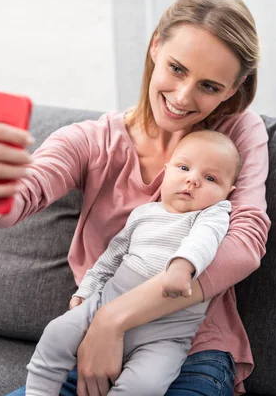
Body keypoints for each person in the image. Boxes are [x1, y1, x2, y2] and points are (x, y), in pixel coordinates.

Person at [0, 0, 270, 394]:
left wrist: (114, 318)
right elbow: (18, 200)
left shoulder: (233, 138)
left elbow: (245, 243)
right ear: (154, 46)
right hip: (95, 342)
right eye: (176, 68)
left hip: (191, 350)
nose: (182, 97)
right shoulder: (92, 142)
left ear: (231, 91)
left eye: (209, 86)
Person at [26, 130, 241, 395]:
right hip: (106, 304)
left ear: (227, 192)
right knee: (56, 334)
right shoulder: (143, 213)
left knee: (146, 385)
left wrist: (182, 267)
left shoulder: (213, 214)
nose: (192, 180)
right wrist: (86, 292)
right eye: (183, 167)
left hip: (164, 334)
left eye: (210, 178)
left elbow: (203, 240)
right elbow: (110, 259)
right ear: (166, 171)